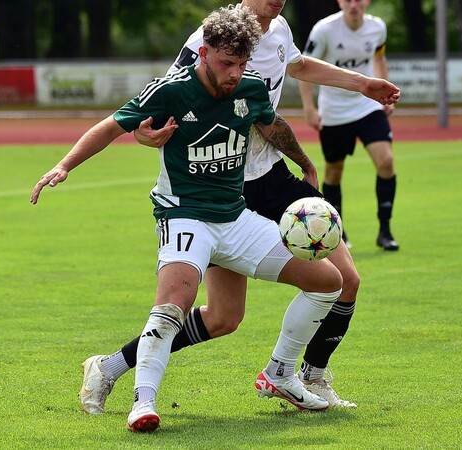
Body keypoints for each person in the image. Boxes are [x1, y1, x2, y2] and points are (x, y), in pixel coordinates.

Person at [78, 0, 400, 415]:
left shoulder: (279, 27)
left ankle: (303, 375)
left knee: (345, 280)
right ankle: (111, 366)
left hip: (272, 176)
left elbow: (298, 66)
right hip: (224, 188)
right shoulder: (209, 38)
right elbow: (170, 94)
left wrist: (362, 83)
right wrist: (144, 134)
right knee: (223, 318)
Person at [32, 6, 343, 432]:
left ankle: (280, 373)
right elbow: (112, 125)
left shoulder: (249, 88)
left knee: (319, 284)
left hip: (235, 218)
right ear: (203, 53)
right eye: (226, 63)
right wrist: (64, 165)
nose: (235, 72)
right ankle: (142, 404)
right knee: (171, 307)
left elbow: (273, 127)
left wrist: (305, 164)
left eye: (242, 63)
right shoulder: (170, 90)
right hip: (184, 216)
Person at [299, 0, 399, 251]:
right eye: (348, 0)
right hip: (334, 111)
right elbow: (302, 67)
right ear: (340, 2)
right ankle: (339, 233)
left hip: (368, 106)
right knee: (334, 171)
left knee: (386, 161)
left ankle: (385, 231)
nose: (354, 4)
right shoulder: (324, 30)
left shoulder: (377, 28)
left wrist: (384, 91)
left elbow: (379, 57)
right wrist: (309, 108)